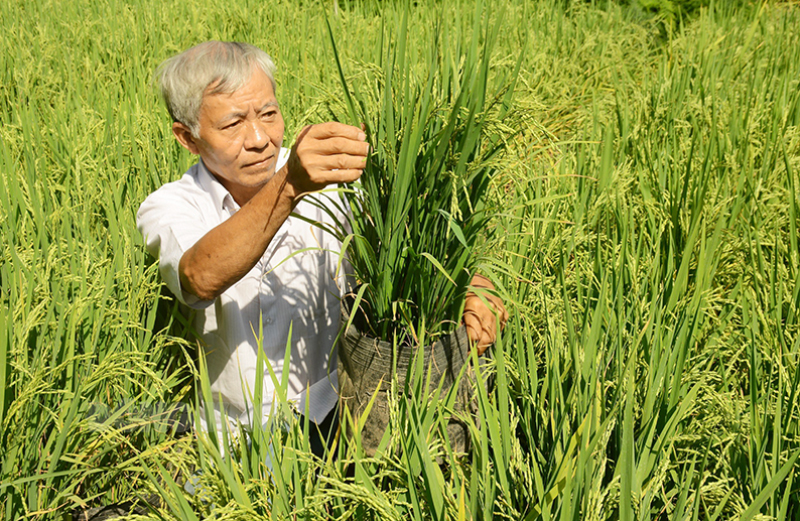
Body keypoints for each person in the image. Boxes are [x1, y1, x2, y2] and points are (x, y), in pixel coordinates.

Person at [137, 41, 507, 453]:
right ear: (188, 138)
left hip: (345, 412)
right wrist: (291, 184)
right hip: (240, 442)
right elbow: (199, 276)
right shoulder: (170, 206)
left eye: (269, 114)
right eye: (233, 124)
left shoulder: (326, 173)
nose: (260, 139)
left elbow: (409, 242)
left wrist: (470, 286)